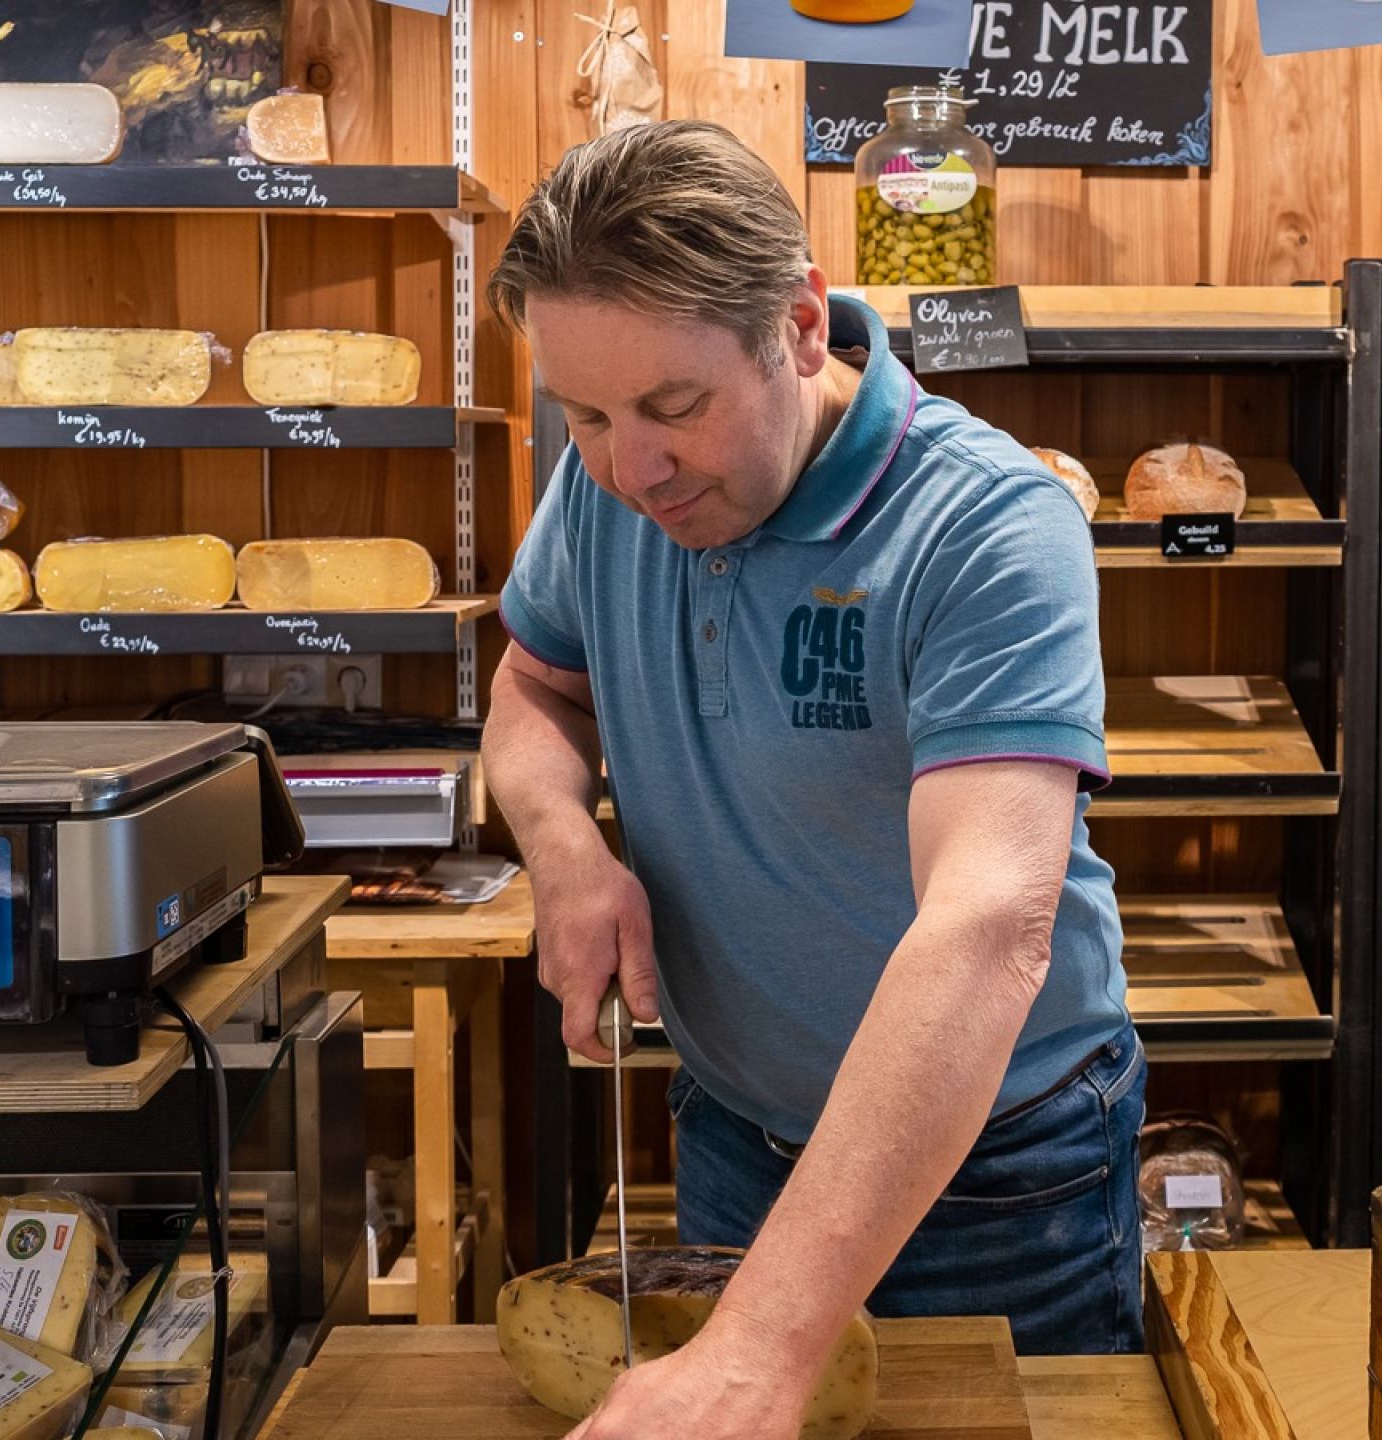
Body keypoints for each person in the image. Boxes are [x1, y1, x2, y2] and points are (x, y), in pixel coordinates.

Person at [482, 119, 1141, 1438]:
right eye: (586, 413)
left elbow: (989, 927)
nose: (633, 468)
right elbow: (534, 688)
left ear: (796, 326)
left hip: (997, 1177)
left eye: (674, 408)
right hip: (736, 1138)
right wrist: (563, 846)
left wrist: (760, 1352)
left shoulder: (990, 526)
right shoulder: (605, 481)